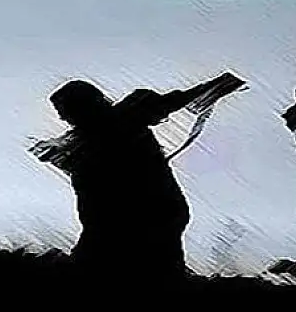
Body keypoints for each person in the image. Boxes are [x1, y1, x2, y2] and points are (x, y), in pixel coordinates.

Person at [43, 73, 245, 283]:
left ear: (86, 106)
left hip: (146, 213)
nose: (63, 118)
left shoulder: (126, 117)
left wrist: (217, 86)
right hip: (120, 218)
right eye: (61, 112)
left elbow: (174, 101)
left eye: (65, 111)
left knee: (151, 267)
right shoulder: (83, 141)